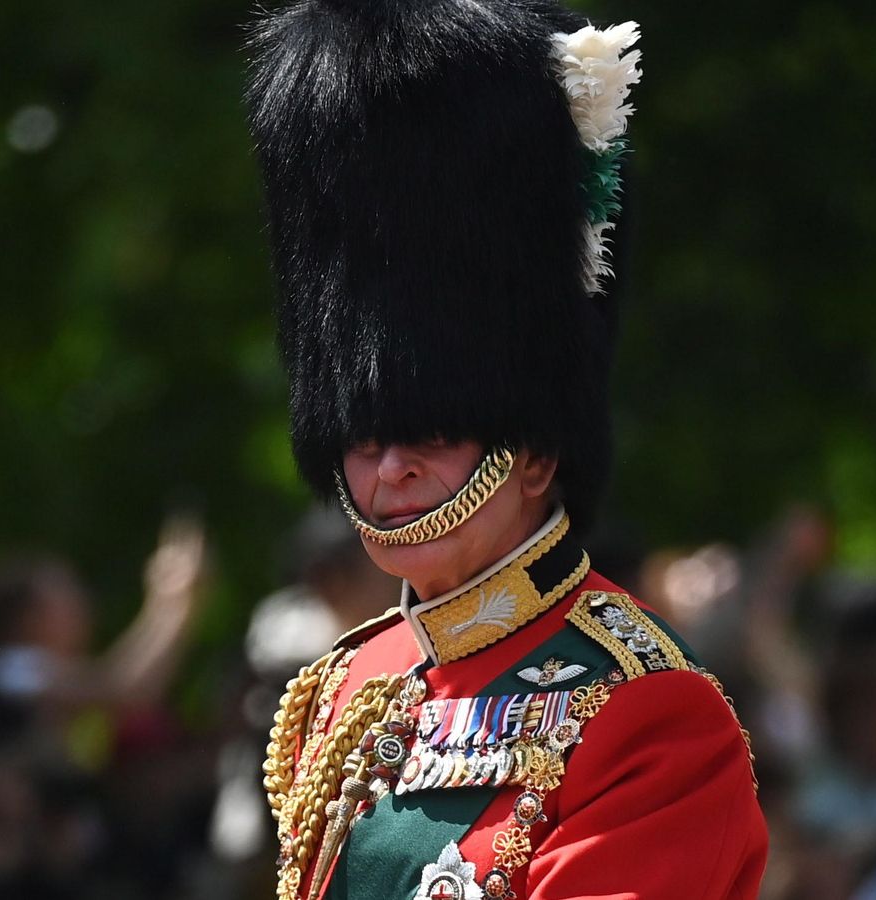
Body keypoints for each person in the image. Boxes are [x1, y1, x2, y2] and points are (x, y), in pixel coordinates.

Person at [243, 1, 767, 898]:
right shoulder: (346, 685)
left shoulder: (649, 712)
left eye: (433, 433)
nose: (390, 471)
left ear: (531, 453)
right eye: (364, 437)